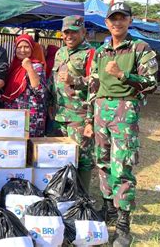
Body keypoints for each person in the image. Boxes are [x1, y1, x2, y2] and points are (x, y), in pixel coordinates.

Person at [85, 2, 158, 247]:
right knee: (102, 161)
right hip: (100, 111)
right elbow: (93, 86)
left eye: (122, 18)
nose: (117, 22)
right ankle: (109, 211)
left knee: (122, 165)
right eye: (113, 18)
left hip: (124, 110)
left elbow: (151, 83)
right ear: (106, 23)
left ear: (129, 21)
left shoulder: (140, 48)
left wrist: (122, 75)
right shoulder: (101, 51)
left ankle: (124, 225)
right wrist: (88, 118)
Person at [49, 15, 95, 191]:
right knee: (60, 155)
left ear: (83, 32)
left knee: (82, 157)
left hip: (79, 115)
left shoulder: (90, 54)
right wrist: (50, 103)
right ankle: (63, 192)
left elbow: (97, 84)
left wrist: (74, 80)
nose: (69, 36)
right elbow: (54, 81)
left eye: (74, 32)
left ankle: (82, 197)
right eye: (66, 32)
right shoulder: (60, 53)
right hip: (60, 113)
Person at [1, 34, 47, 137]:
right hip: (12, 117)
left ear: (32, 49)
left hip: (30, 117)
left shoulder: (37, 66)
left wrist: (29, 68)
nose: (22, 50)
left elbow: (40, 91)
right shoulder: (13, 66)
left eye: (26, 47)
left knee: (28, 149)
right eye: (19, 47)